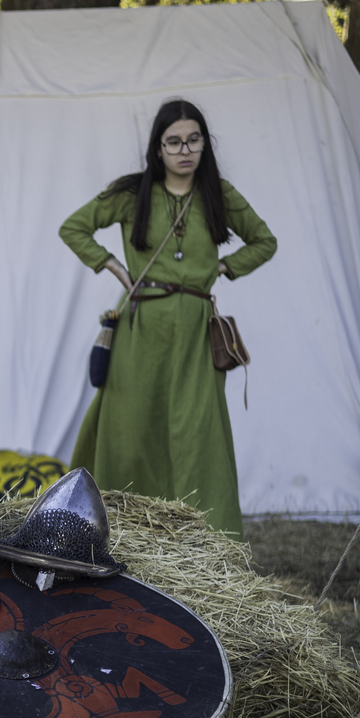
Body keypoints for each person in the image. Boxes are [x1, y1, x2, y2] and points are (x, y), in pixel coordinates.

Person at [59, 99, 276, 539]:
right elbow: (74, 227)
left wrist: (223, 267)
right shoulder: (132, 193)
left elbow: (264, 241)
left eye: (194, 140)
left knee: (198, 432)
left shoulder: (219, 194)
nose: (184, 150)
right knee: (130, 429)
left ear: (205, 144)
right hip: (141, 327)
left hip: (196, 332)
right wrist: (112, 266)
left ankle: (204, 541)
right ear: (158, 148)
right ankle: (120, 532)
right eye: (173, 141)